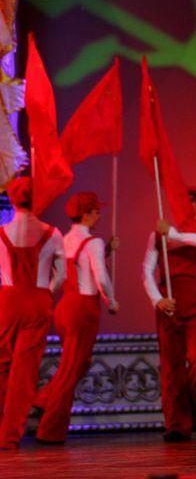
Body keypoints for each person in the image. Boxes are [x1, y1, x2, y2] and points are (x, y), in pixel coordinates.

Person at [33, 192, 118, 444]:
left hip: (65, 308)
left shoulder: (63, 239)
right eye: (96, 211)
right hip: (83, 309)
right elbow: (100, 278)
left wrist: (106, 251)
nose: (99, 216)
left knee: (78, 364)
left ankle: (44, 398)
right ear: (86, 214)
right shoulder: (93, 242)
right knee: (71, 369)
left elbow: (73, 270)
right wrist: (112, 301)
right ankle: (49, 429)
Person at [142, 187, 196, 442]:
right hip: (169, 302)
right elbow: (147, 270)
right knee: (172, 366)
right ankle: (176, 424)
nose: (190, 206)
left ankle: (193, 409)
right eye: (185, 201)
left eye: (194, 202)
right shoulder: (157, 236)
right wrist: (158, 300)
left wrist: (171, 233)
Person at [0, 177, 65, 450]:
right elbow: (62, 275)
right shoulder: (53, 233)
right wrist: (47, 291)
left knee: (2, 364)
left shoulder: (2, 232)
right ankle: (9, 436)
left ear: (12, 200)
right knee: (24, 372)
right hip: (37, 300)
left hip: (8, 300)